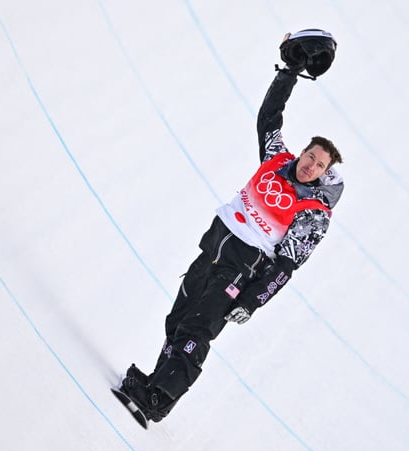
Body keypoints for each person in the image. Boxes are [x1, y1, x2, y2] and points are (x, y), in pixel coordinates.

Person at [119, 30, 344, 423]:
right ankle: (155, 384)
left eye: (319, 165)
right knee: (177, 319)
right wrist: (289, 71)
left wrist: (252, 301)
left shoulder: (313, 212)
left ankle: (158, 400)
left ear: (324, 174)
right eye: (310, 156)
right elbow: (269, 116)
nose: (310, 165)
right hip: (216, 246)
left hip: (242, 266)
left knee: (196, 329)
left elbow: (288, 266)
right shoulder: (276, 158)